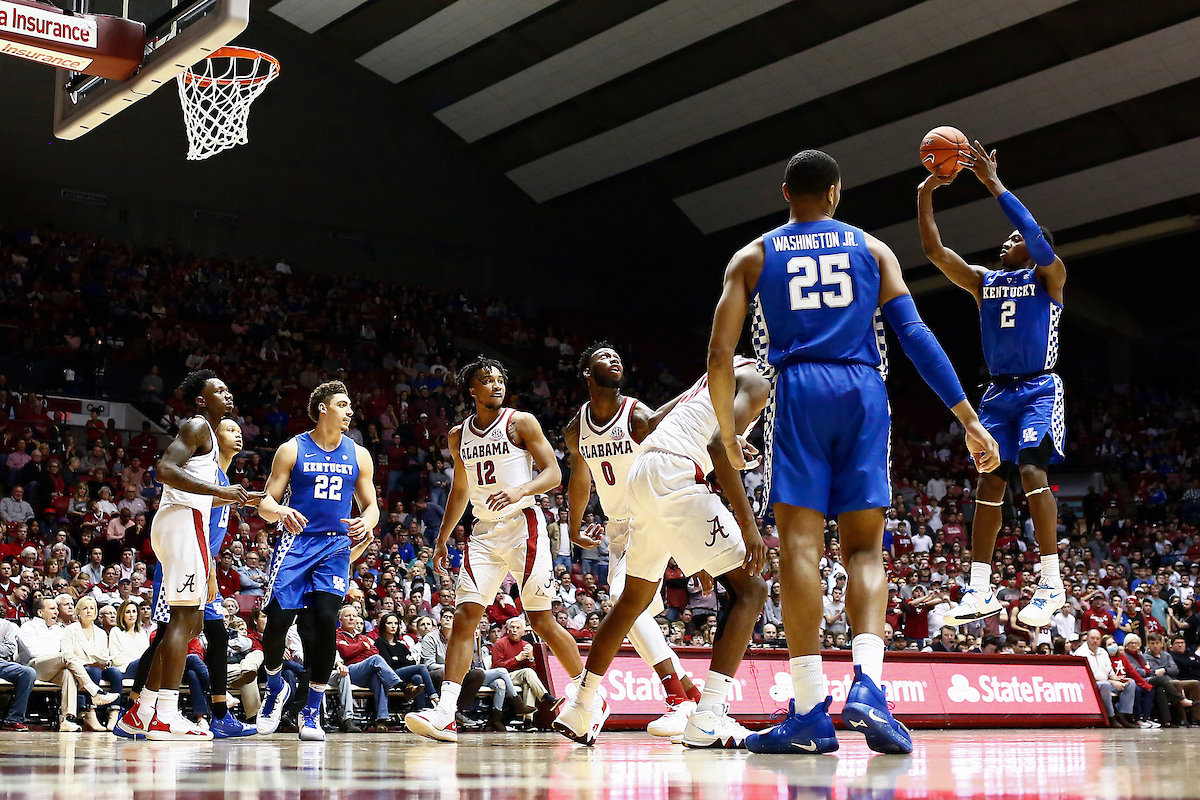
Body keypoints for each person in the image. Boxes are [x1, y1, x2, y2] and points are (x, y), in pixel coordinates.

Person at [706, 149, 999, 755]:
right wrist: (968, 418)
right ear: (836, 193)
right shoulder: (871, 249)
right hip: (864, 390)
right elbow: (914, 335)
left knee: (800, 547)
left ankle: (810, 709)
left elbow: (718, 354)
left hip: (799, 390)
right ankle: (869, 685)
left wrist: (729, 436)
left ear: (785, 192)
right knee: (866, 548)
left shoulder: (754, 255)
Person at [555, 358, 769, 748]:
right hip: (676, 474)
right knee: (751, 590)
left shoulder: (721, 370)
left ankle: (582, 703)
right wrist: (750, 525)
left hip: (643, 473)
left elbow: (654, 424)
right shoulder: (758, 381)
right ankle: (707, 716)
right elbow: (718, 446)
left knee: (631, 600)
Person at [406, 357, 598, 743]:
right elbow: (461, 489)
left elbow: (553, 474)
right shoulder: (459, 435)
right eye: (486, 381)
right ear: (471, 391)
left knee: (542, 621)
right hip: (482, 533)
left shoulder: (520, 422)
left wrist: (520, 490)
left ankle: (589, 695)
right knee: (464, 617)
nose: (495, 385)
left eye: (499, 379)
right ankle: (446, 712)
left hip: (522, 525)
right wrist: (443, 538)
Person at [919, 141, 1068, 630]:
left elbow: (1028, 228)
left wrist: (991, 182)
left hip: (1040, 389)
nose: (1007, 241)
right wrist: (926, 193)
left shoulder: (1049, 277)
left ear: (1033, 244)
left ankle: (1051, 581)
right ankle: (979, 587)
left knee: (1030, 474)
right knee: (988, 481)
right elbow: (935, 252)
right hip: (998, 395)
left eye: (1015, 238)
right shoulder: (985, 281)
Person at [562, 342, 702, 736]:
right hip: (618, 528)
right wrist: (574, 527)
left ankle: (677, 699)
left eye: (617, 356)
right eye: (603, 357)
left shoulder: (636, 415)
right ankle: (690, 693)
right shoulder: (576, 429)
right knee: (628, 615)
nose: (615, 359)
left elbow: (674, 452)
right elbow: (580, 477)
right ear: (588, 374)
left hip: (652, 516)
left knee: (626, 605)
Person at [115, 370, 252, 742]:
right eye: (218, 389)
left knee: (189, 625)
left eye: (227, 387)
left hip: (183, 522)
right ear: (201, 400)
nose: (227, 393)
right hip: (182, 519)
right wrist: (217, 491)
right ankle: (167, 712)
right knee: (182, 622)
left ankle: (142, 711)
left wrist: (234, 496)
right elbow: (164, 470)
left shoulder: (206, 435)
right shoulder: (196, 426)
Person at [255, 381, 379, 741]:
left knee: (326, 620)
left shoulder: (359, 454)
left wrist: (367, 521)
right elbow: (265, 503)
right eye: (343, 404)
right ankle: (276, 686)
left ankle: (312, 711)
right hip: (296, 542)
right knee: (277, 622)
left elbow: (372, 506)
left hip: (336, 546)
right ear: (323, 408)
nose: (349, 411)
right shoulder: (292, 448)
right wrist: (281, 511)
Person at [335, 604, 404, 732]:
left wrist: (358, 649)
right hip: (348, 671)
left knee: (379, 678)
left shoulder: (362, 637)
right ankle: (400, 685)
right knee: (376, 661)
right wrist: (362, 647)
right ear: (340, 620)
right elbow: (345, 652)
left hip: (365, 672)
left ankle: (381, 720)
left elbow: (374, 651)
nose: (351, 619)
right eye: (347, 616)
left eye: (354, 616)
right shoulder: (337, 635)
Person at [62, 596, 123, 731]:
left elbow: (104, 654)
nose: (89, 611)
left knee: (115, 673)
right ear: (78, 612)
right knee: (94, 671)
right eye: (85, 608)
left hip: (98, 666)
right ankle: (90, 712)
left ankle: (114, 712)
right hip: (79, 668)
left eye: (92, 608)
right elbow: (67, 654)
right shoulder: (70, 630)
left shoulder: (101, 633)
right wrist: (88, 663)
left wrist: (103, 661)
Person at [1074, 628, 1136, 727]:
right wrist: (1112, 682)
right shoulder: (1081, 653)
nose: (1095, 641)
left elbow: (1110, 673)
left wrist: (1120, 680)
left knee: (1131, 683)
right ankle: (1110, 717)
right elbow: (1087, 676)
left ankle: (1124, 715)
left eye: (1097, 638)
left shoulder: (1103, 652)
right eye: (1092, 638)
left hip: (1107, 682)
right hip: (1090, 685)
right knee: (1105, 684)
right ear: (1087, 639)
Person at [0, 615, 34, 731]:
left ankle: (13, 719)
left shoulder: (5, 624)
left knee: (28, 672)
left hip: (1, 662)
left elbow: (10, 648)